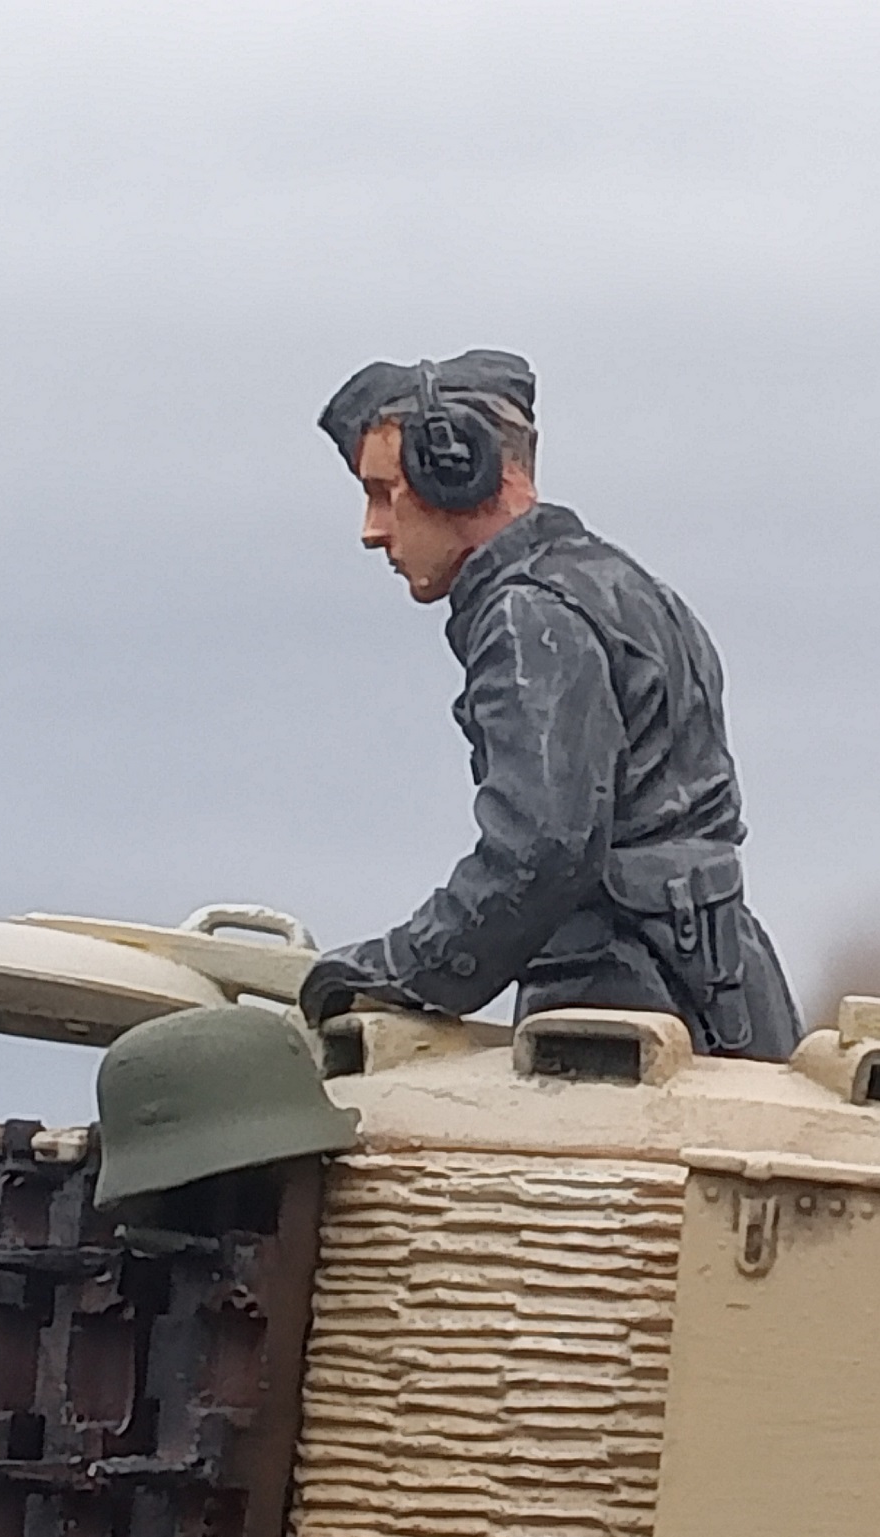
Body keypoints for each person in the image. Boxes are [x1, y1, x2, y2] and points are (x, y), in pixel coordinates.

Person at [297, 350, 801, 1059]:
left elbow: (542, 851)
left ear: (456, 471)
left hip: (621, 1003)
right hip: (718, 985)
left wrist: (407, 967)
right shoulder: (627, 589)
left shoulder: (529, 617)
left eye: (385, 492)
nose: (372, 529)